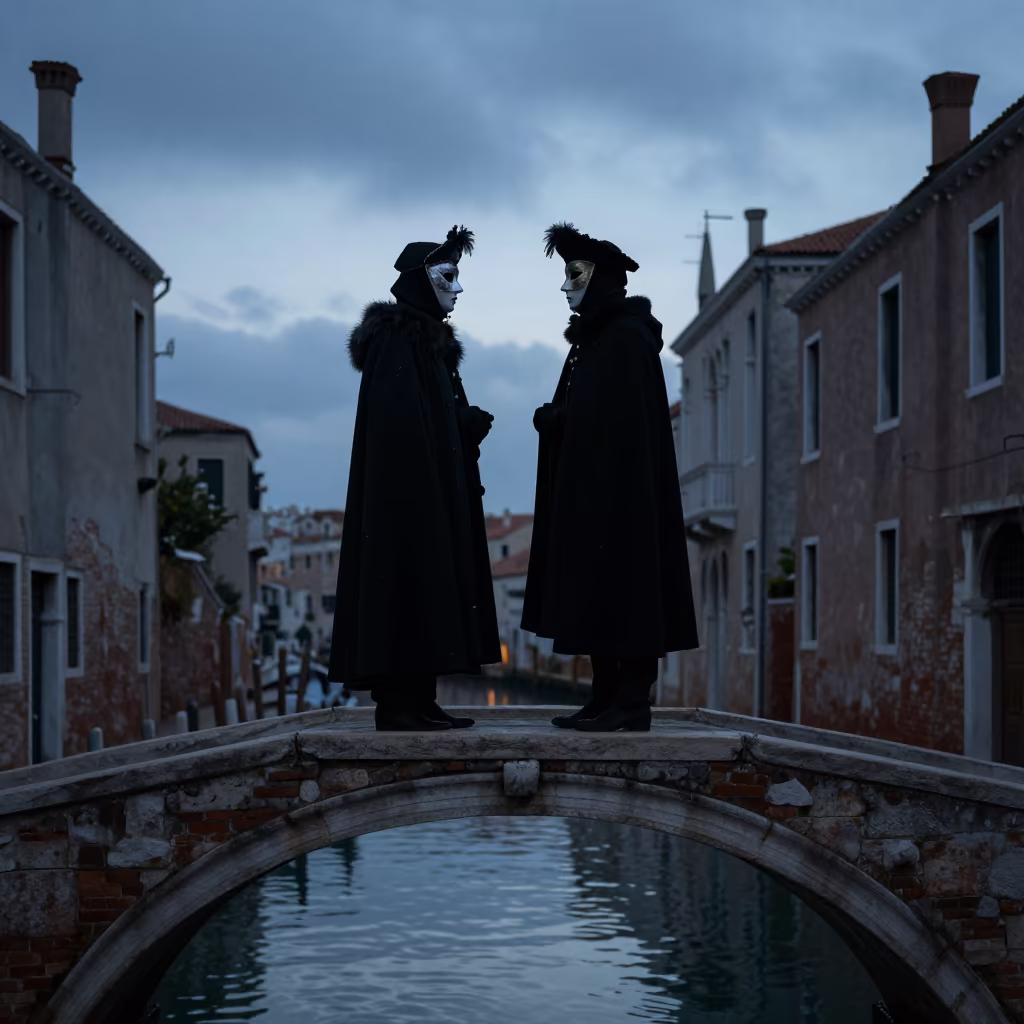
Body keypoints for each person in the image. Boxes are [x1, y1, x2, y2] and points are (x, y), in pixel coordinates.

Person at [521, 222, 699, 732]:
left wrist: (563, 420)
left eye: (575, 275)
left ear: (600, 278)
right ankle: (604, 697)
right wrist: (558, 421)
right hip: (595, 497)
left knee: (628, 589)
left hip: (624, 500)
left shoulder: (624, 339)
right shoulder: (596, 340)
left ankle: (632, 702)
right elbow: (592, 411)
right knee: (597, 592)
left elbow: (621, 424)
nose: (565, 286)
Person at [328, 226, 501, 731]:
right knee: (406, 585)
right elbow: (400, 427)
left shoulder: (424, 342)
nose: (458, 288)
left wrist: (461, 425)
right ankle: (400, 706)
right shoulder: (400, 340)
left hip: (427, 494)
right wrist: (452, 432)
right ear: (422, 280)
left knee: (427, 588)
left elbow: (428, 419)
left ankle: (421, 700)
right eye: (448, 276)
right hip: (405, 501)